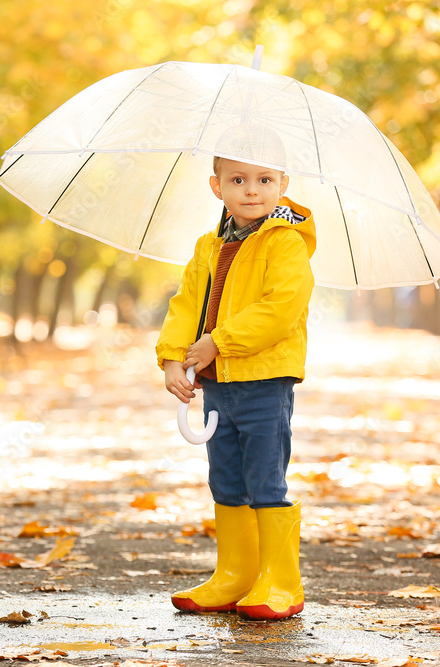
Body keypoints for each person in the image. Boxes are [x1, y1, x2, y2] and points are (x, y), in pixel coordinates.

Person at [155, 125, 315, 621]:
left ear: (283, 184)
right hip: (219, 381)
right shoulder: (209, 246)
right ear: (216, 186)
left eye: (265, 180)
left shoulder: (285, 243)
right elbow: (187, 304)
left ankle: (281, 580)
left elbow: (281, 308)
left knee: (265, 474)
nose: (252, 190)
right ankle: (235, 574)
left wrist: (218, 341)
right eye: (239, 179)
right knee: (225, 474)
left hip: (266, 379)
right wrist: (172, 356)